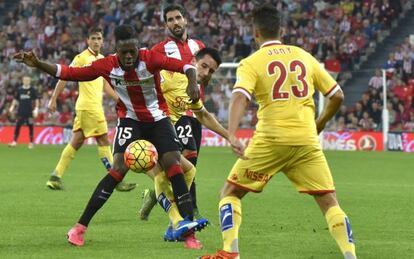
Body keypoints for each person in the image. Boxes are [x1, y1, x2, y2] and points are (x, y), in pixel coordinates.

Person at [13, 24, 207, 246]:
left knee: (173, 164)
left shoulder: (150, 58)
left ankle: (187, 231)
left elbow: (187, 67)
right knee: (117, 169)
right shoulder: (107, 64)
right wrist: (37, 64)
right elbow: (70, 73)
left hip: (157, 119)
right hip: (130, 120)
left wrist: (192, 83)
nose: (127, 56)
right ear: (116, 48)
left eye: (132, 51)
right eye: (123, 51)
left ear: (138, 47)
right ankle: (79, 228)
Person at [199, 4, 356, 259]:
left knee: (230, 193)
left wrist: (233, 133)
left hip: (270, 140)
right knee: (329, 201)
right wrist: (321, 123)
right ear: (280, 30)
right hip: (306, 140)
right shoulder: (304, 56)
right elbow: (337, 95)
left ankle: (230, 254)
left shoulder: (251, 62)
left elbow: (240, 97)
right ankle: (350, 255)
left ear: (255, 33)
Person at [148, 47, 226, 249]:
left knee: (189, 170)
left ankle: (172, 223)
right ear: (193, 61)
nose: (205, 73)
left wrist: (230, 137)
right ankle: (177, 221)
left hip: (169, 132)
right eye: (203, 66)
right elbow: (149, 84)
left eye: (211, 71)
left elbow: (204, 115)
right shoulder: (172, 76)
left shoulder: (192, 88)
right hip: (152, 129)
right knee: (164, 176)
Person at [45, 27, 135, 192]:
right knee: (103, 141)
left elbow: (105, 85)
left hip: (87, 108)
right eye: (93, 38)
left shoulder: (102, 59)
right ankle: (116, 179)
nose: (96, 41)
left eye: (99, 38)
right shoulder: (81, 58)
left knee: (76, 142)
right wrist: (53, 98)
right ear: (87, 40)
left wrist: (120, 100)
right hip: (90, 107)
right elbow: (64, 76)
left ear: (102, 41)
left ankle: (55, 176)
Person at [139, 3, 206, 221]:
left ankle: (156, 194)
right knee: (188, 159)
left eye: (178, 18)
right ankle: (189, 212)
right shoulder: (159, 50)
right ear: (166, 24)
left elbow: (205, 73)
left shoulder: (199, 46)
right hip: (172, 115)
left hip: (196, 113)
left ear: (185, 19)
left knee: (188, 166)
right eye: (170, 19)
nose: (175, 22)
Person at [8, 76, 39, 149]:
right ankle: (14, 142)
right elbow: (15, 99)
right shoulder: (19, 90)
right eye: (25, 80)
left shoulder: (32, 90)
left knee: (30, 126)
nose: (26, 81)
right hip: (21, 111)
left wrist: (36, 108)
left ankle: (31, 142)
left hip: (29, 111)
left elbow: (36, 99)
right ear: (23, 81)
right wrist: (12, 107)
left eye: (28, 80)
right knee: (18, 126)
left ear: (30, 81)